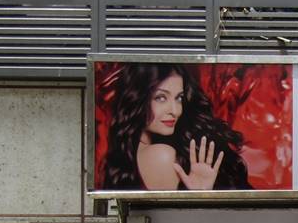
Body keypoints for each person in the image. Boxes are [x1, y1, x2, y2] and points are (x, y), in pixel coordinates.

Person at [102, 62, 251, 190]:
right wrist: (200, 195)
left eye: (179, 98)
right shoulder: (161, 156)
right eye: (161, 98)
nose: (175, 111)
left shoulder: (131, 153)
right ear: (137, 99)